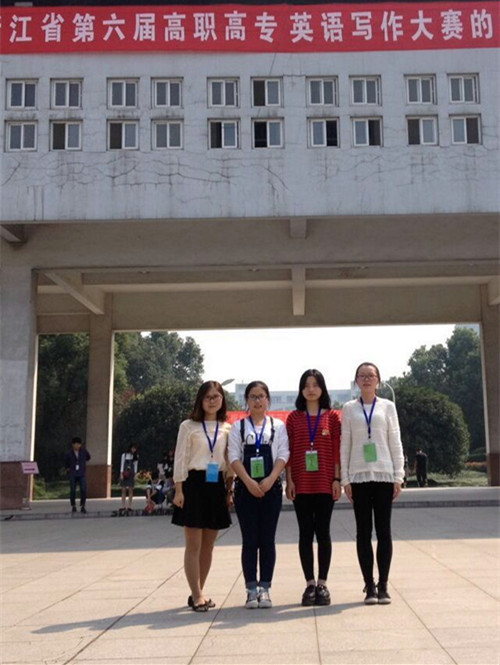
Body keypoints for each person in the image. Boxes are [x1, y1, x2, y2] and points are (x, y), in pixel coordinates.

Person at [341, 362, 404, 605]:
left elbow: (395, 441)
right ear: (356, 380)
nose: (367, 379)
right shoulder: (349, 408)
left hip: (383, 475)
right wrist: (346, 478)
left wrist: (398, 475)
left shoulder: (388, 406)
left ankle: (384, 584)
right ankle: (369, 585)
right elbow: (345, 444)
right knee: (363, 532)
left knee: (384, 531)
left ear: (378, 380)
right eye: (362, 375)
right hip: (359, 477)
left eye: (371, 375)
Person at [172, 381, 233, 612]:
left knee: (209, 545)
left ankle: (199, 591)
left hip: (216, 486)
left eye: (217, 396)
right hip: (193, 485)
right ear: (200, 400)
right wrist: (179, 489)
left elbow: (230, 462)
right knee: (193, 544)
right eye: (208, 396)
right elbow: (180, 458)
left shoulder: (227, 428)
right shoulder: (188, 426)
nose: (212, 400)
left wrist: (229, 490)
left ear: (222, 400)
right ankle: (197, 595)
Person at [229, 380, 290, 609]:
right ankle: (251, 590)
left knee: (267, 540)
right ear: (246, 400)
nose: (257, 400)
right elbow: (233, 456)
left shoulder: (278, 426)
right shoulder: (238, 427)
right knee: (249, 540)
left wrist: (271, 479)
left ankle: (265, 588)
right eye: (252, 396)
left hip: (270, 488)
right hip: (245, 490)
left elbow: (283, 454)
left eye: (261, 396)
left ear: (268, 400)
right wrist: (248, 482)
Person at [285, 369, 341, 606]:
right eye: (306, 385)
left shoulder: (333, 417)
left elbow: (337, 450)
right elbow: (288, 452)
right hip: (301, 484)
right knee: (305, 533)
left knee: (324, 533)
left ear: (322, 388)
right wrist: (289, 481)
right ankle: (309, 583)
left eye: (315, 385)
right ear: (301, 389)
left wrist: (337, 479)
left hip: (326, 483)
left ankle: (323, 584)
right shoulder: (293, 418)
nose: (311, 389)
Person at [64, 436, 91, 514]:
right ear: (73, 444)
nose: (77, 446)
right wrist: (68, 468)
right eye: (76, 444)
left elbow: (88, 457)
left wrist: (82, 464)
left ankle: (83, 505)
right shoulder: (69, 453)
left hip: (81, 473)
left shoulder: (83, 452)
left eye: (79, 444)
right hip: (73, 473)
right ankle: (73, 505)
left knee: (83, 489)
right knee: (73, 490)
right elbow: (66, 462)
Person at [119, 444, 139, 515]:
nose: (134, 450)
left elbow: (136, 466)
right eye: (133, 448)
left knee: (131, 490)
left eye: (135, 449)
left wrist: (135, 475)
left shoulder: (136, 456)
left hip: (131, 474)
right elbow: (122, 465)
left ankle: (129, 506)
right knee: (123, 490)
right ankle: (123, 506)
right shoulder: (124, 455)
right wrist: (121, 473)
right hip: (125, 473)